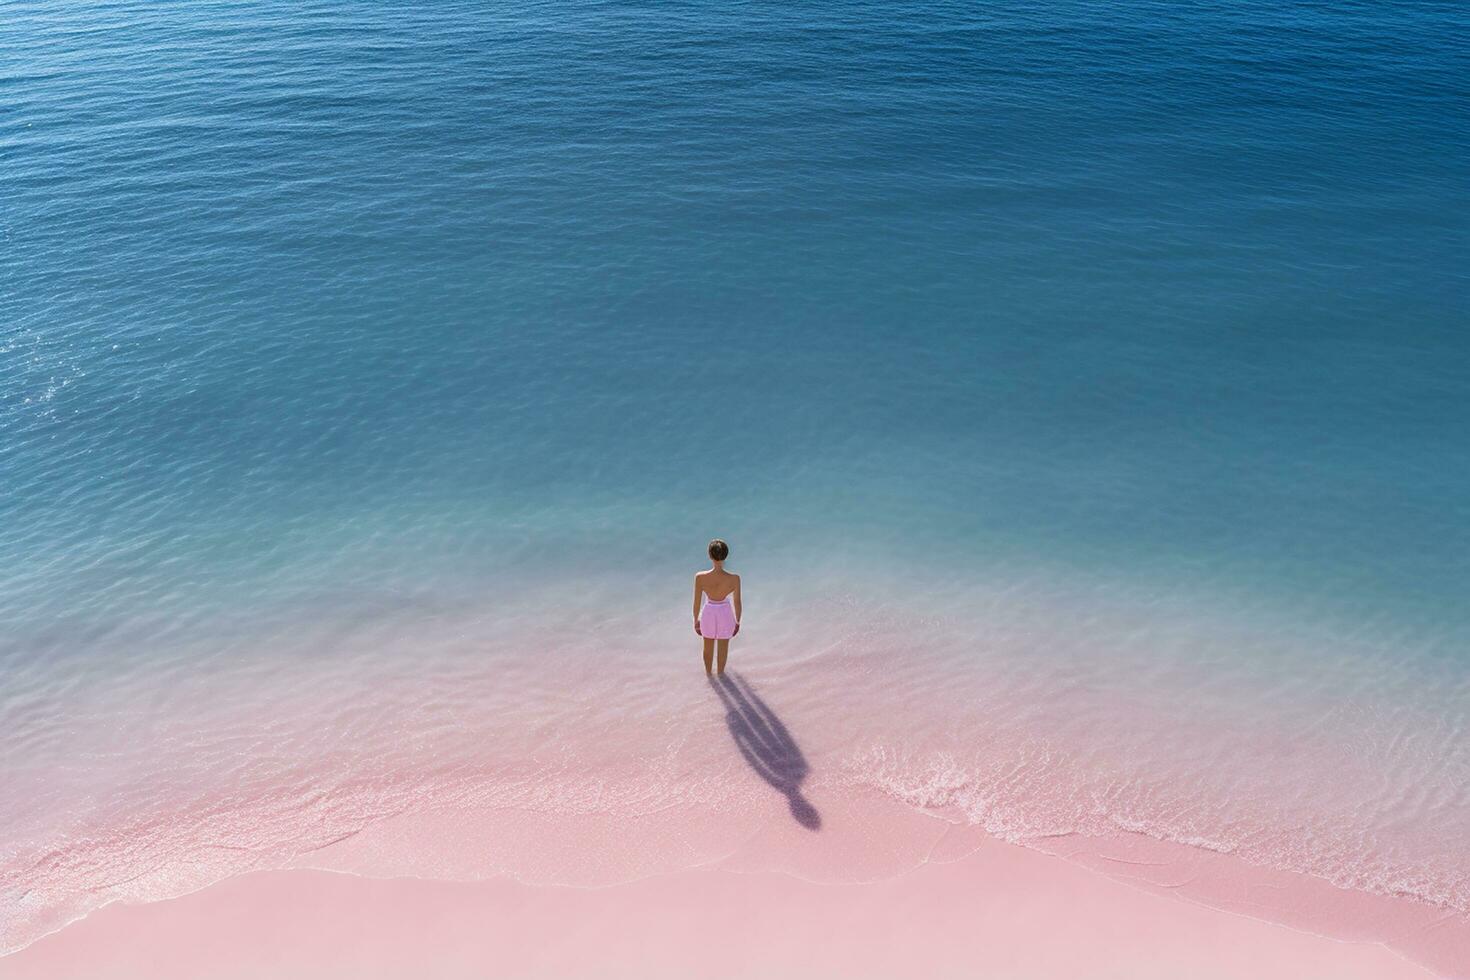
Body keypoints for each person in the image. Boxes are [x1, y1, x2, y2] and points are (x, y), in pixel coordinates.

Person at [693, 538, 741, 675]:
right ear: (726, 555)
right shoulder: (734, 579)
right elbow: (737, 602)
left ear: (709, 555)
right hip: (725, 613)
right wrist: (738, 620)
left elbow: (696, 602)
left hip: (709, 612)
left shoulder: (700, 577)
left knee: (707, 647)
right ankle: (721, 675)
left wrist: (696, 620)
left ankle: (709, 676)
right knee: (723, 648)